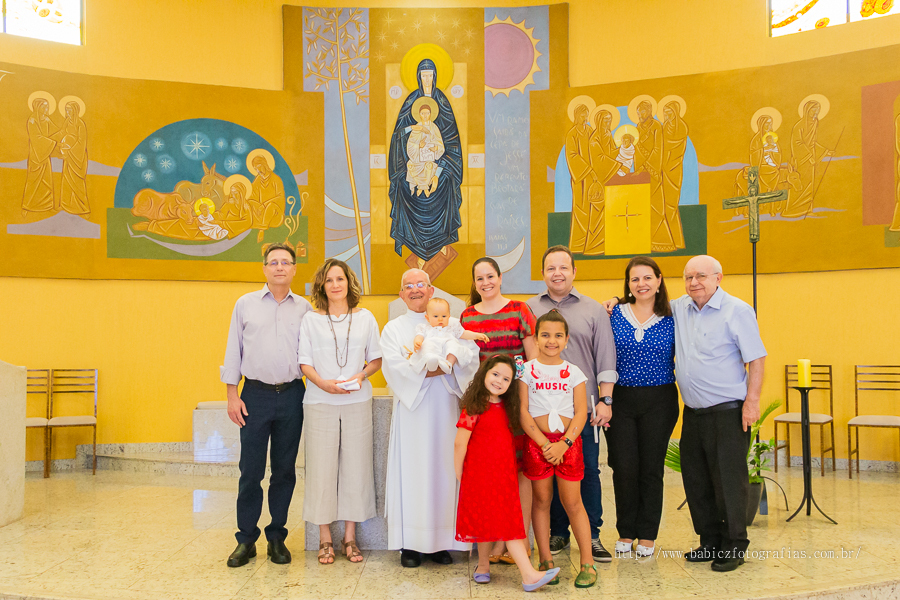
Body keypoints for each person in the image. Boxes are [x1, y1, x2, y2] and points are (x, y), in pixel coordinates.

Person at [604, 254, 766, 572]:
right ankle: (709, 541)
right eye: (689, 277)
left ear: (719, 277)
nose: (694, 283)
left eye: (701, 276)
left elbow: (757, 358)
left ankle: (735, 544)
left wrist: (753, 401)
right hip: (692, 411)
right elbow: (640, 297)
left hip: (727, 410)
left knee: (728, 480)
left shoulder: (737, 310)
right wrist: (614, 299)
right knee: (697, 479)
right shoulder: (680, 308)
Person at [220, 242, 310, 568]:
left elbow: (313, 355)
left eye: (286, 262)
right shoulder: (245, 304)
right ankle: (246, 540)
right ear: (264, 268)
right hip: (254, 395)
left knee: (284, 471)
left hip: (292, 395)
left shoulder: (305, 309)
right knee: (251, 471)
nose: (280, 267)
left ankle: (276, 537)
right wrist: (232, 395)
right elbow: (234, 350)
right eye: (273, 262)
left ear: (294, 269)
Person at [382, 269, 478, 567]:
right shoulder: (393, 329)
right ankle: (410, 545)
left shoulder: (451, 324)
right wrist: (439, 368)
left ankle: (440, 543)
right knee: (413, 471)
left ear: (431, 290)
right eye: (407, 285)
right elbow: (395, 368)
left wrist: (439, 367)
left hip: (446, 405)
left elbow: (470, 356)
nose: (414, 289)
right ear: (401, 294)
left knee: (444, 470)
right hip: (413, 411)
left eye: (420, 284)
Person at [526, 245, 615, 563]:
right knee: (546, 474)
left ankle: (592, 535)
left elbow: (606, 358)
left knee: (587, 471)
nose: (557, 273)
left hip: (583, 411)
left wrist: (605, 400)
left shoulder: (593, 310)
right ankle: (558, 533)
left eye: (564, 267)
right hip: (540, 411)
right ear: (542, 274)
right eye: (551, 268)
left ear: (574, 271)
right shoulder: (529, 308)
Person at [298, 259, 382, 565]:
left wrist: (360, 376)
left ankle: (350, 537)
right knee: (322, 468)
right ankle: (325, 538)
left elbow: (375, 359)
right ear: (322, 285)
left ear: (349, 283)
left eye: (340, 279)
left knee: (356, 467)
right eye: (329, 280)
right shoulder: (310, 320)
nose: (335, 284)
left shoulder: (366, 318)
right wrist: (322, 383)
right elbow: (304, 362)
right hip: (320, 401)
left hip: (357, 401)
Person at [455, 355, 560, 592]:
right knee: (486, 521)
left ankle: (522, 573)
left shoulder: (508, 407)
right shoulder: (474, 406)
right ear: (484, 373)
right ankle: (496, 568)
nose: (499, 381)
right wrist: (460, 473)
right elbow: (460, 443)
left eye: (506, 379)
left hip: (503, 475)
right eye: (495, 375)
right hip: (479, 475)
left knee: (507, 522)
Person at [460, 257, 537, 564]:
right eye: (479, 278)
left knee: (520, 472)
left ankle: (520, 540)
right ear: (475, 283)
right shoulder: (466, 316)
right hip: (483, 407)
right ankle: (493, 542)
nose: (486, 283)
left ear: (500, 277)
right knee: (490, 475)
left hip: (516, 403)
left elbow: (531, 364)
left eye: (490, 276)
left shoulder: (519, 310)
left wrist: (528, 403)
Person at [605, 257, 678, 558]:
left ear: (659, 280)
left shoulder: (675, 316)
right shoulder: (612, 313)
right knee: (623, 467)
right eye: (635, 279)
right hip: (620, 399)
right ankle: (625, 531)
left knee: (650, 469)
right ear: (628, 283)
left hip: (659, 400)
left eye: (648, 278)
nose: (642, 284)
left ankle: (647, 534)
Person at [519, 311, 597, 588]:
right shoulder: (526, 371)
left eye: (558, 336)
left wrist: (563, 443)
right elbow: (524, 413)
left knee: (573, 503)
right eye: (545, 335)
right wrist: (543, 444)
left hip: (568, 445)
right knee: (541, 502)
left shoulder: (574, 372)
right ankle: (545, 559)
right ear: (536, 338)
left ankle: (587, 562)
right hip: (537, 444)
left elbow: (580, 413)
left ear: (566, 339)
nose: (551, 341)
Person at [388, 59, 463, 266]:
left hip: (440, 162)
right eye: (424, 75)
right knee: (403, 184)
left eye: (430, 75)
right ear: (418, 77)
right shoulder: (410, 101)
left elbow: (450, 140)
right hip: (414, 161)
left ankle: (444, 238)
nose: (427, 79)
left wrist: (435, 152)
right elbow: (399, 136)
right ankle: (415, 245)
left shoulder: (443, 102)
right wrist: (414, 132)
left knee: (446, 180)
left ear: (436, 76)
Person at [411, 298, 487, 373]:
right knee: (427, 345)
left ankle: (448, 364)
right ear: (427, 318)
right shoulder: (425, 328)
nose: (440, 319)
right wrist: (417, 342)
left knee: (454, 346)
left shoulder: (452, 328)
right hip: (433, 349)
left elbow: (463, 333)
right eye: (436, 316)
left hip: (446, 350)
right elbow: (419, 335)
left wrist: (477, 335)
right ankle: (430, 362)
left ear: (449, 316)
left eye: (444, 316)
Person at [405, 102, 445, 197]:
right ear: (419, 114)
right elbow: (410, 144)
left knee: (429, 166)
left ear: (431, 114)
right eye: (423, 113)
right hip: (417, 158)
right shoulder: (417, 128)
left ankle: (423, 187)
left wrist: (436, 148)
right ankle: (423, 187)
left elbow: (440, 144)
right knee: (410, 165)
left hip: (429, 158)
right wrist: (418, 146)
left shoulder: (434, 128)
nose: (425, 115)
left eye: (427, 113)